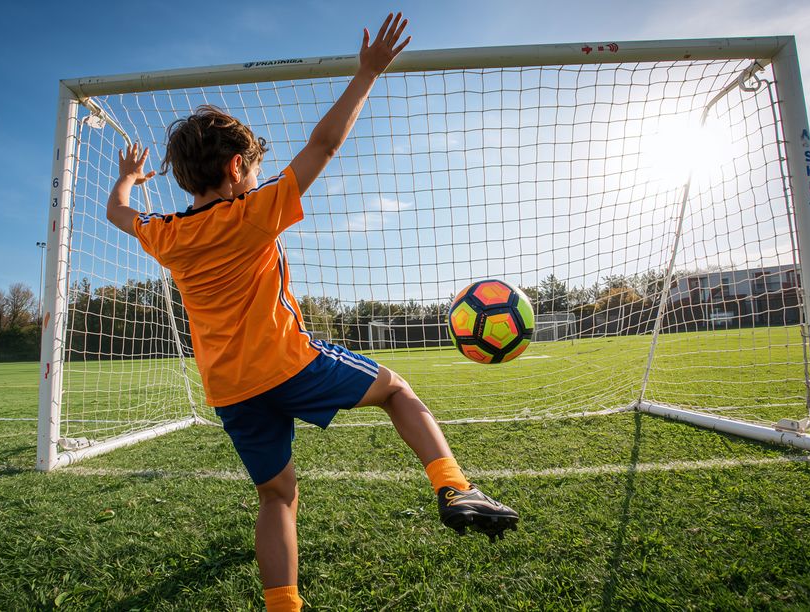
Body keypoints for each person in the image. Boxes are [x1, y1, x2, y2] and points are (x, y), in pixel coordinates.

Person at [104, 13, 517, 611]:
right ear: (234, 169)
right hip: (289, 363)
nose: (256, 178)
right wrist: (367, 72)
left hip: (229, 390)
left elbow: (118, 213)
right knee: (397, 390)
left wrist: (126, 178)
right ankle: (454, 487)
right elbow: (324, 145)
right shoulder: (252, 213)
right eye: (252, 169)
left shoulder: (165, 234)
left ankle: (284, 607)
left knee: (278, 497)